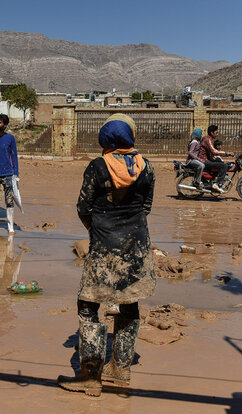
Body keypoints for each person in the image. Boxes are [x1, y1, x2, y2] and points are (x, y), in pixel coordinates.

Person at [57, 113, 156, 397]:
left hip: (103, 246)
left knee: (88, 305)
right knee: (129, 304)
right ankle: (122, 370)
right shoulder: (146, 168)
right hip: (136, 247)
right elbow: (145, 207)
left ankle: (90, 376)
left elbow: (83, 207)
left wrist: (97, 230)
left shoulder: (98, 167)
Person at [199, 125, 233, 192]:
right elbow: (214, 151)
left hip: (206, 159)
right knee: (224, 166)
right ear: (212, 133)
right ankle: (217, 184)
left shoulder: (208, 139)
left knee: (221, 163)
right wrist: (227, 153)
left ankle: (214, 180)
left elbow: (213, 151)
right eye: (216, 132)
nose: (217, 134)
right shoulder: (207, 140)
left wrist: (225, 153)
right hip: (204, 160)